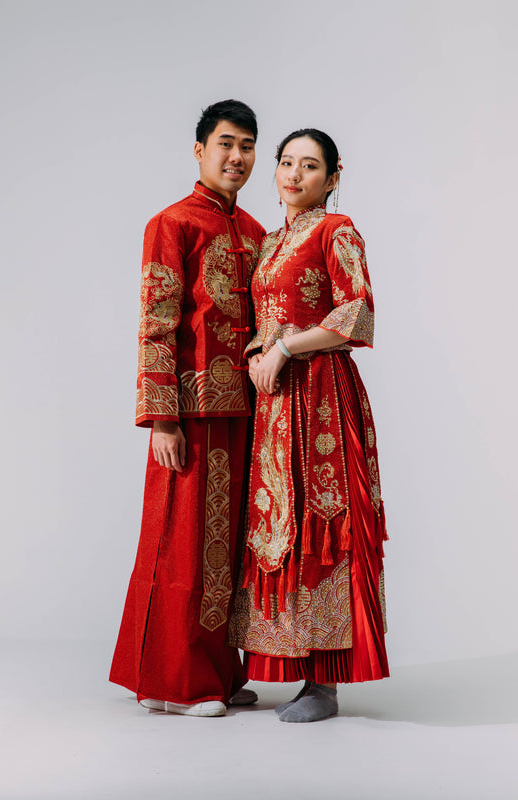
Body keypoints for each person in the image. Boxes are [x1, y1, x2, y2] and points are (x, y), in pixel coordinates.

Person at [110, 100, 266, 717]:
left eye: (247, 145)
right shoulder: (171, 223)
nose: (237, 156)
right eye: (226, 143)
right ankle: (174, 683)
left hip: (247, 411)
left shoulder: (255, 231)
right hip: (192, 413)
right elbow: (156, 323)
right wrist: (162, 418)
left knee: (229, 549)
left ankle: (219, 675)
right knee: (182, 543)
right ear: (200, 150)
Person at [228, 128, 389, 722]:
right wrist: (258, 350)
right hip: (275, 402)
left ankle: (325, 684)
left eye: (310, 165)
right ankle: (282, 665)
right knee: (280, 526)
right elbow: (265, 316)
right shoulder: (270, 242)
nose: (294, 175)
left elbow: (356, 311)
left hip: (321, 396)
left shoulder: (336, 230)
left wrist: (284, 348)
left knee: (325, 522)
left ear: (332, 175)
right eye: (287, 162)